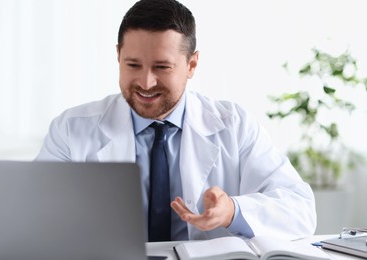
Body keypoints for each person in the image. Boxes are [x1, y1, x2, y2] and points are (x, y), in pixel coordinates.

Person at [36, 0, 316, 241]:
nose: (146, 82)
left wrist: (231, 210)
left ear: (191, 65)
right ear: (118, 55)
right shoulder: (71, 129)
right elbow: (34, 215)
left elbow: (300, 210)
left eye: (162, 67)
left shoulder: (234, 125)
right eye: (133, 65)